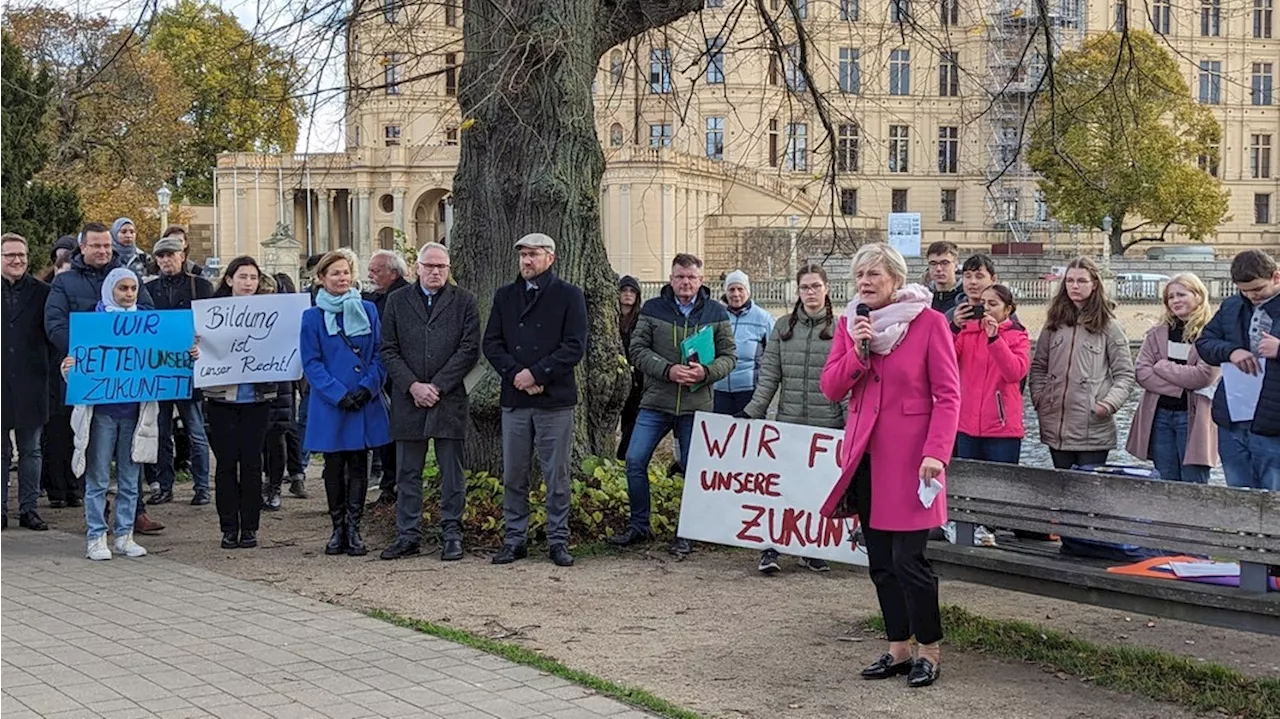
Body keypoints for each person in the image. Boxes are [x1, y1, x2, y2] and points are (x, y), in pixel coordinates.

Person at [819, 242, 960, 689]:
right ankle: (898, 646)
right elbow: (830, 387)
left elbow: (948, 395)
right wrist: (858, 354)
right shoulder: (851, 325)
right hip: (866, 457)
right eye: (860, 275)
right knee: (879, 560)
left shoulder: (928, 322)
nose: (865, 282)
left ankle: (930, 650)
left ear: (896, 280)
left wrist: (937, 452)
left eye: (874, 275)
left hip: (915, 461)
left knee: (909, 561)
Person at [610, 253, 736, 556]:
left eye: (692, 277)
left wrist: (706, 372)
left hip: (696, 405)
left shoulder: (716, 312)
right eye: (680, 277)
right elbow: (637, 350)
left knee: (694, 471)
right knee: (635, 460)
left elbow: (729, 356)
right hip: (656, 402)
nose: (686, 283)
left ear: (701, 280)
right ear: (671, 278)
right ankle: (640, 526)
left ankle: (687, 532)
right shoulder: (653, 309)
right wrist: (668, 369)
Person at [45, 222, 164, 536]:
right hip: (93, 388)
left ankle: (132, 520)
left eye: (107, 246)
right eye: (96, 246)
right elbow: (55, 325)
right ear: (82, 248)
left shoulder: (130, 276)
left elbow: (150, 320)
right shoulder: (66, 283)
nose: (102, 251)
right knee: (95, 465)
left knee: (130, 466)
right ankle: (96, 525)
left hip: (131, 391)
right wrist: (88, 351)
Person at [481, 233, 587, 567]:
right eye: (523, 255)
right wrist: (517, 375)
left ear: (550, 258)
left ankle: (558, 539)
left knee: (555, 474)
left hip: (553, 398)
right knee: (514, 472)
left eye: (533, 255)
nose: (526, 261)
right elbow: (492, 344)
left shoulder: (570, 296)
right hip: (516, 397)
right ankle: (515, 539)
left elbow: (574, 346)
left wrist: (538, 374)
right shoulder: (505, 296)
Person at [62, 269, 178, 560]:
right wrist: (69, 368)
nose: (128, 294)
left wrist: (184, 356)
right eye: (122, 288)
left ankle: (124, 535)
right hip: (101, 414)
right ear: (109, 290)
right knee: (98, 478)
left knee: (130, 480)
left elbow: (166, 358)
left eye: (132, 288)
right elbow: (78, 370)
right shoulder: (93, 324)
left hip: (135, 414)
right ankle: (96, 536)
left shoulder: (148, 325)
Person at [379, 243, 480, 561]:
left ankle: (452, 532)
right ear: (417, 266)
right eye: (430, 266)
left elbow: (469, 349)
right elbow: (388, 350)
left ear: (449, 269)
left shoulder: (465, 301)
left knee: (452, 472)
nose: (435, 271)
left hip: (448, 399)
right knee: (408, 471)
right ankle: (407, 534)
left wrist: (436, 386)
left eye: (442, 267)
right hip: (409, 399)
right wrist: (412, 386)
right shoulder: (396, 301)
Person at [741, 264, 842, 574]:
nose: (810, 292)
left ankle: (811, 549)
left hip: (827, 425)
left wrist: (853, 425)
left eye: (815, 286)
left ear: (827, 288)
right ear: (798, 292)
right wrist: (751, 412)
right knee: (782, 489)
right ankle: (771, 548)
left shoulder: (841, 329)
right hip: (789, 424)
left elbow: (849, 382)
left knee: (818, 490)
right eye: (804, 287)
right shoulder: (783, 326)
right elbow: (769, 376)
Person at [302, 251, 392, 557]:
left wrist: (368, 387)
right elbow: (311, 361)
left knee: (358, 463)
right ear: (322, 279)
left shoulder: (368, 309)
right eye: (334, 274)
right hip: (332, 401)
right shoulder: (312, 316)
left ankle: (354, 527)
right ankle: (337, 527)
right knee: (333, 465)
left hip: (364, 398)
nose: (341, 278)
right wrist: (338, 393)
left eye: (345, 272)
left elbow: (380, 353)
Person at [203, 256, 289, 550]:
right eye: (242, 277)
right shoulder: (211, 312)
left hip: (256, 398)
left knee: (252, 465)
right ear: (229, 280)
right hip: (220, 398)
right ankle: (229, 527)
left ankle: (250, 527)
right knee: (226, 465)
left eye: (253, 277)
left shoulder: (269, 311)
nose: (248, 283)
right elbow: (198, 344)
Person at [1029, 257, 1135, 470]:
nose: (1074, 286)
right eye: (1069, 281)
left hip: (1093, 426)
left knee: (1088, 494)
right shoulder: (1054, 324)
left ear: (1094, 284)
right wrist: (1040, 398)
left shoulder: (1109, 326)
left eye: (1081, 281)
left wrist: (1107, 404)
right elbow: (1039, 366)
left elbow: (1125, 374)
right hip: (1055, 425)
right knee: (1061, 490)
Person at [1196, 250, 1280, 490]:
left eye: (1257, 289)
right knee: (1238, 494)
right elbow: (1204, 343)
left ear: (1276, 277)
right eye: (1244, 290)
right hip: (1233, 417)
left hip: (1273, 423)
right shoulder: (1232, 305)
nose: (1251, 296)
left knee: (1273, 498)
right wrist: (1231, 351)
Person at [1126, 273, 1219, 484]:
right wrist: (1181, 387)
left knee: (1194, 482)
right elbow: (1142, 373)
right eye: (1170, 297)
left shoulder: (1211, 334)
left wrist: (1163, 367)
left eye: (1181, 295)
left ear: (1198, 296)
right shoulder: (1157, 333)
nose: (1175, 301)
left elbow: (1203, 376)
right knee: (1165, 481)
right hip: (1160, 416)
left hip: (1193, 417)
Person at [145, 236, 214, 506]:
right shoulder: (149, 289)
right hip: (160, 370)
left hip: (190, 370)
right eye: (160, 257)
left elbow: (212, 326)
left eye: (170, 255)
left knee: (196, 431)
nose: (165, 260)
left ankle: (201, 486)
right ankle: (165, 485)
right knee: (162, 433)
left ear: (182, 255)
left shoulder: (201, 286)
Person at [0, 233, 51, 531]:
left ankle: (29, 509)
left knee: (31, 450)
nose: (17, 260)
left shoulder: (42, 292)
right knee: (1, 451)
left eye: (21, 255)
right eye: (10, 256)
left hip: (32, 381)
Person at [953, 284, 1030, 463]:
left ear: (1007, 309)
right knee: (969, 486)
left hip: (1002, 429)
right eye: (983, 303)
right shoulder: (968, 332)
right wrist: (954, 327)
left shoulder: (1017, 335)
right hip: (966, 426)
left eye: (993, 304)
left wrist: (995, 339)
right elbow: (945, 359)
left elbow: (1015, 373)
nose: (986, 308)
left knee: (1002, 486)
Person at [363, 249, 412, 506]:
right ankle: (388, 483)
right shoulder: (376, 297)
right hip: (382, 374)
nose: (370, 275)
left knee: (396, 434)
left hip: (401, 377)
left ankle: (394, 484)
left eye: (376, 270)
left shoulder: (405, 297)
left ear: (393, 273)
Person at [41, 250, 80, 509]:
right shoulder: (47, 296)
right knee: (54, 433)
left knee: (75, 432)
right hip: (52, 372)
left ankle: (74, 486)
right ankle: (56, 488)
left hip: (76, 371)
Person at [713, 270, 773, 416]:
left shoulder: (764, 319)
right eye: (731, 289)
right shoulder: (716, 316)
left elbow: (773, 358)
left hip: (749, 392)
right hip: (718, 391)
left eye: (740, 289)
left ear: (748, 290)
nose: (736, 294)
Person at [617, 276, 644, 461]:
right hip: (612, 375)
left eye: (632, 291)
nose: (627, 294)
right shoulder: (608, 317)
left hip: (635, 379)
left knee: (630, 421)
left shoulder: (640, 320)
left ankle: (621, 457)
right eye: (624, 290)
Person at [947, 254, 1002, 333]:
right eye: (968, 276)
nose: (973, 282)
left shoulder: (1002, 313)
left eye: (979, 276)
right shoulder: (952, 314)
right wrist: (954, 328)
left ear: (993, 279)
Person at [925, 241, 963, 313]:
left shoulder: (965, 297)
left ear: (956, 265)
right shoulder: (923, 298)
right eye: (933, 263)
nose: (938, 268)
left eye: (945, 263)